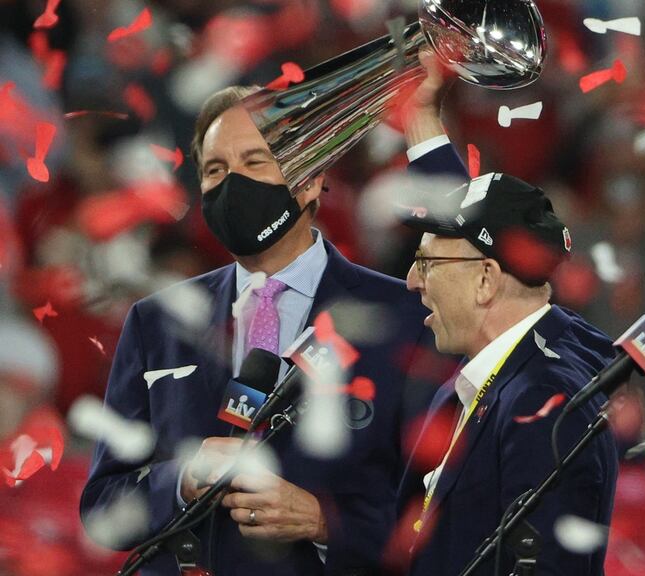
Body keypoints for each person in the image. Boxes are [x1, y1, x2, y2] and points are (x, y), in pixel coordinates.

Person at [79, 81, 466, 575]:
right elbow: (101, 509)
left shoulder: (407, 319)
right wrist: (180, 481)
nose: (231, 183)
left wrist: (325, 522)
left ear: (308, 181)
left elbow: (446, 517)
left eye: (255, 162)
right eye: (215, 169)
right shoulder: (157, 321)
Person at [398, 171, 619, 575]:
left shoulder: (543, 401)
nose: (413, 282)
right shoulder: (485, 380)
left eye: (426, 263)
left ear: (485, 279)